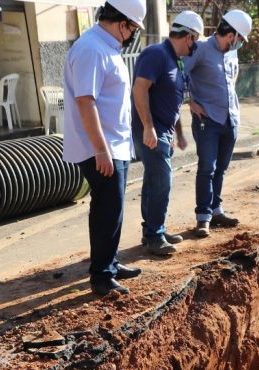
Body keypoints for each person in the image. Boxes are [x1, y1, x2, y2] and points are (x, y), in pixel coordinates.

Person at [62, 0, 146, 295]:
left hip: (114, 144)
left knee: (114, 208)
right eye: (134, 28)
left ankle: (109, 262)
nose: (133, 34)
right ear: (122, 23)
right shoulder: (91, 49)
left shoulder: (106, 46)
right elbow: (85, 101)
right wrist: (100, 149)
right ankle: (101, 277)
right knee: (106, 209)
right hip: (100, 147)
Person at [132, 11, 204, 255]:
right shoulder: (156, 54)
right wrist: (149, 128)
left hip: (163, 131)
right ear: (189, 37)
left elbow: (174, 101)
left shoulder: (175, 59)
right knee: (163, 180)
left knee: (154, 180)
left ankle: (154, 230)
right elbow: (139, 89)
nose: (195, 46)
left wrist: (179, 133)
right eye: (196, 40)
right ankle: (154, 235)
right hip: (150, 131)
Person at [183, 9, 253, 238]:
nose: (241, 43)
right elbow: (178, 73)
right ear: (231, 33)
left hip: (230, 118)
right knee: (207, 168)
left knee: (221, 168)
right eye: (240, 38)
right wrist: (190, 102)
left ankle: (216, 210)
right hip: (207, 121)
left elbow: (233, 77)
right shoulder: (201, 49)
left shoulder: (232, 53)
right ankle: (203, 218)